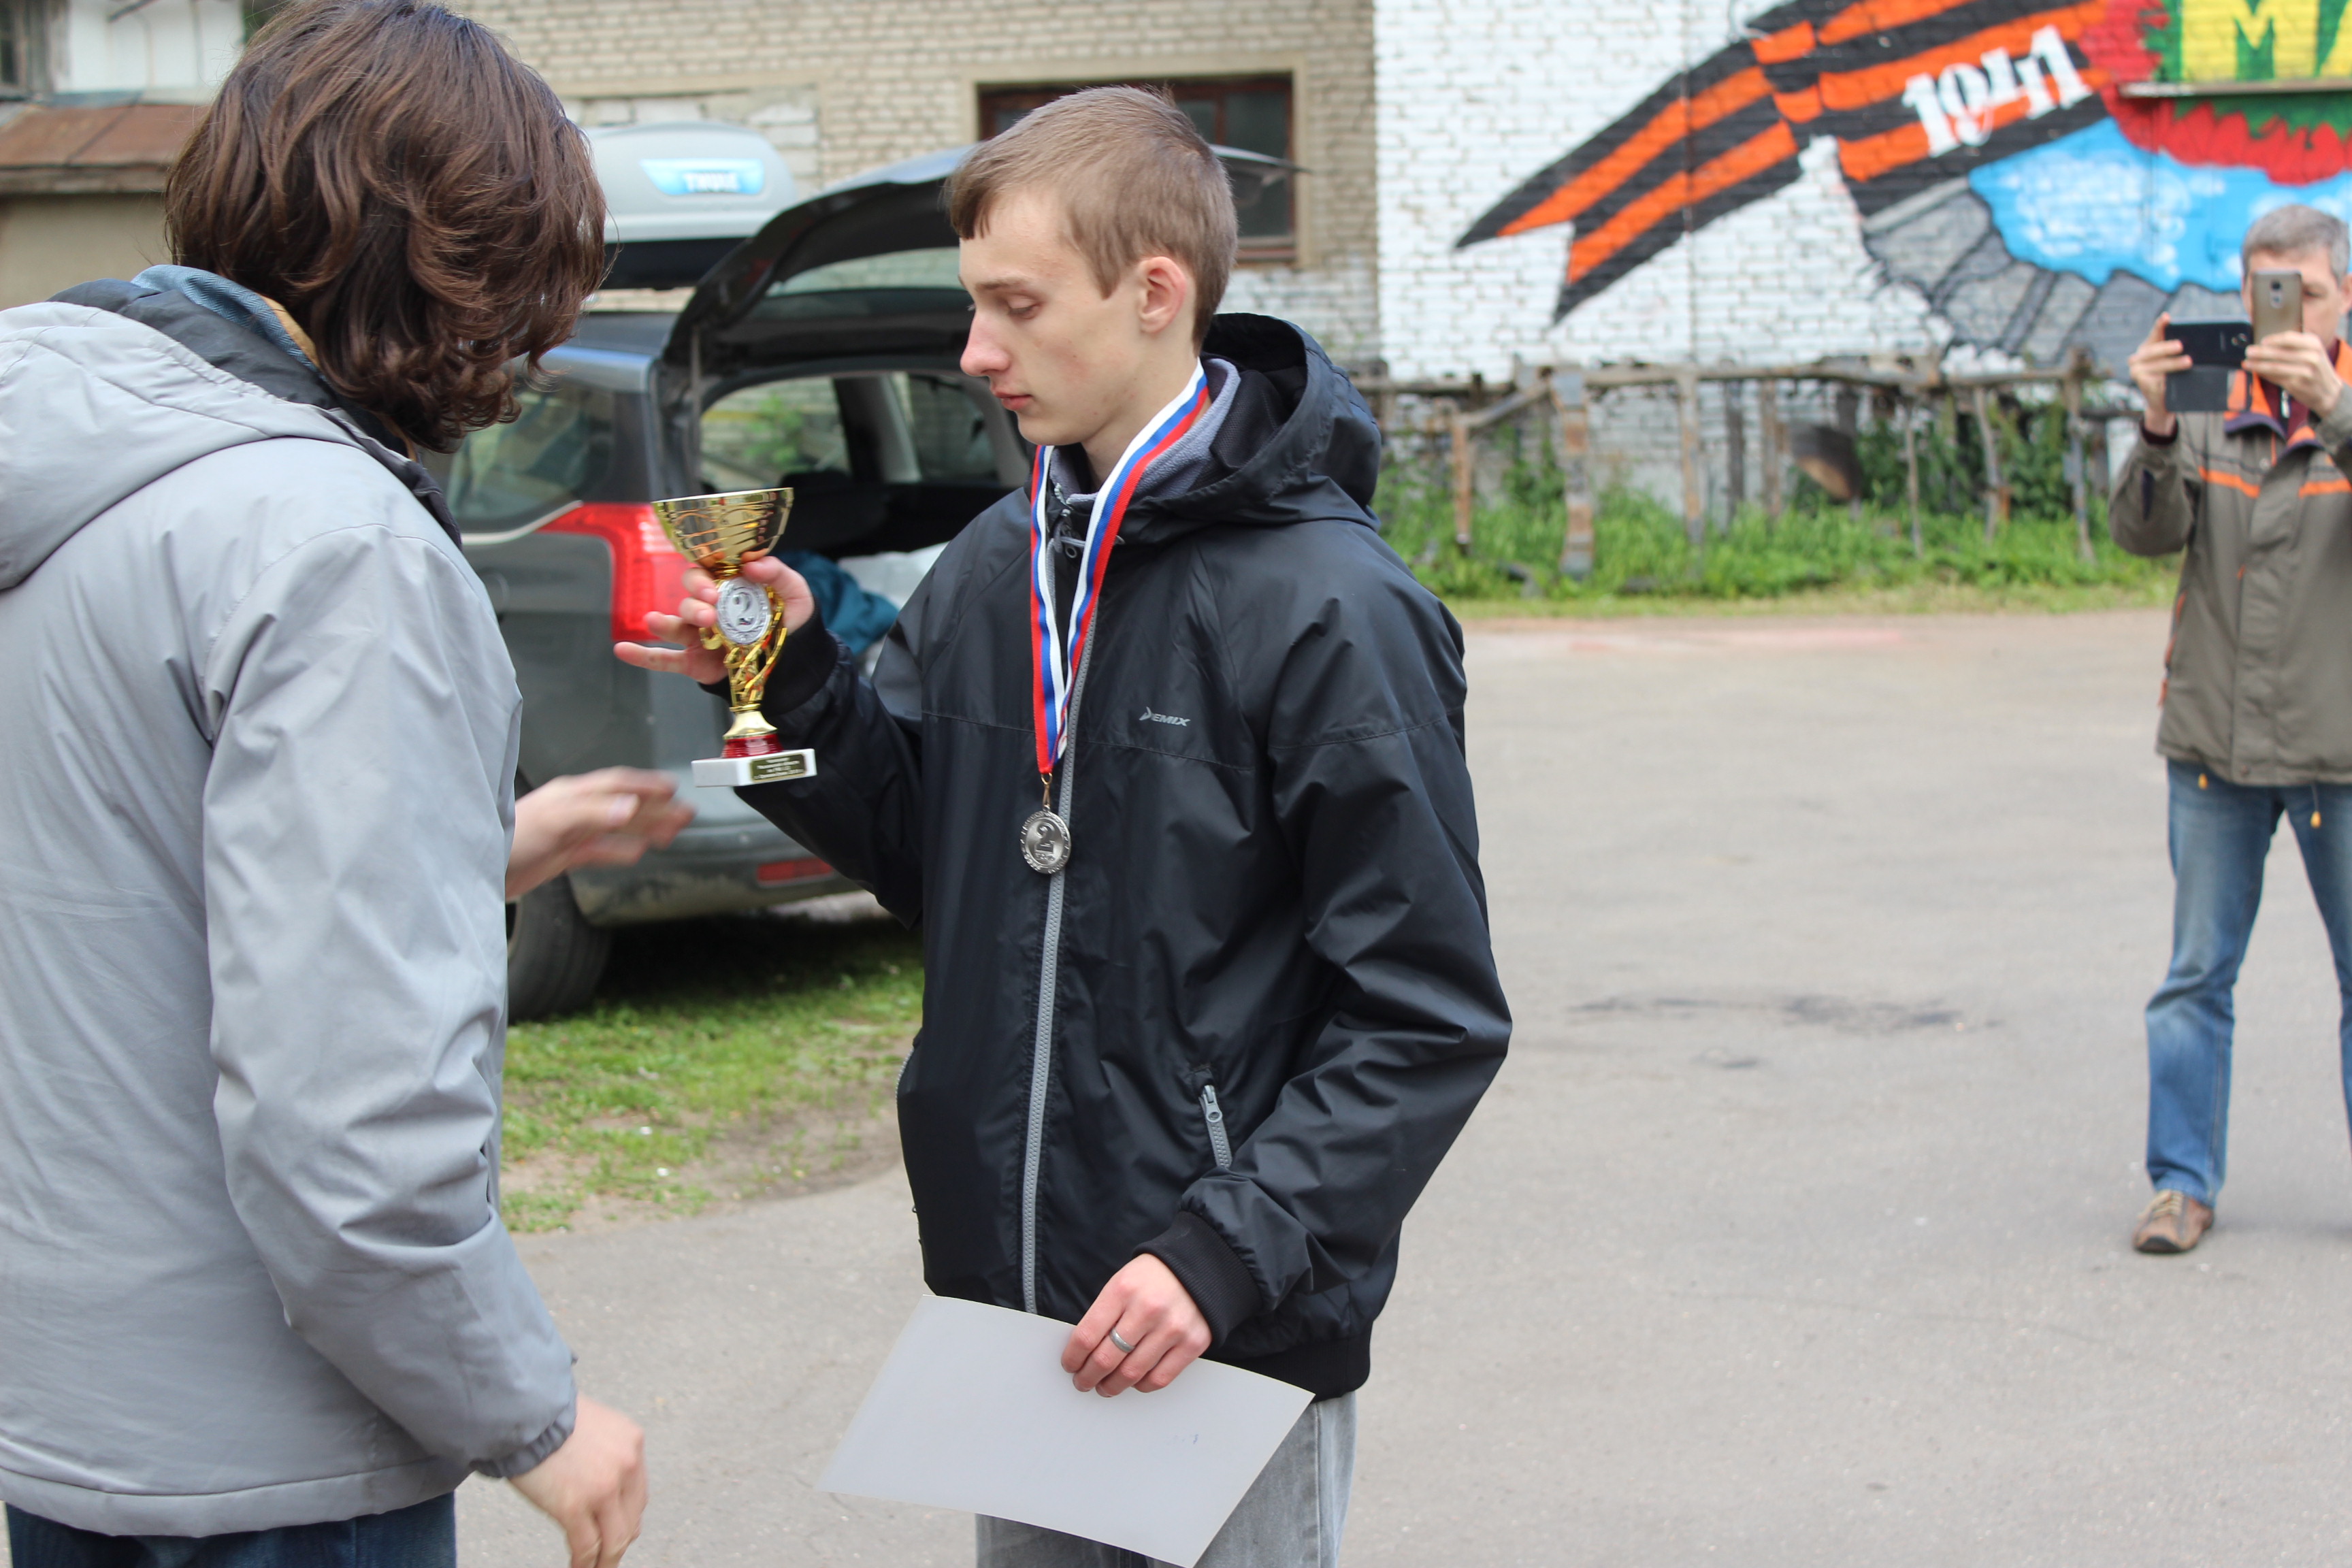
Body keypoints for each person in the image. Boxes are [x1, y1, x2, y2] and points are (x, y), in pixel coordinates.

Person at [619, 87, 1511, 1567]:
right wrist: (785, 684)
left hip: (1222, 1332)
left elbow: (1425, 1012)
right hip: (1022, 1318)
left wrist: (1222, 1255)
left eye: (1016, 307)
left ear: (1154, 293)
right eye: (976, 305)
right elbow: (932, 860)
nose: (977, 352)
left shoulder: (1334, 610)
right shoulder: (999, 564)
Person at [0, 2, 672, 1563]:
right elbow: (349, 1130)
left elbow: (114, 890)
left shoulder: (67, 474)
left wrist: (479, 850)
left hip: (63, 1418)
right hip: (278, 1459)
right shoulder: (334, 541)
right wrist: (531, 1414)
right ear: (455, 270)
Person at [2114, 203, 2352, 1255]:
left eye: (2307, 294)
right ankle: (2181, 1186)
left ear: (2344, 297)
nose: (2285, 315)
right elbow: (2143, 536)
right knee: (2194, 979)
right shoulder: (2209, 399)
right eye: (2266, 294)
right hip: (2215, 745)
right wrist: (2158, 426)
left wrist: (2335, 411)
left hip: (2342, 749)